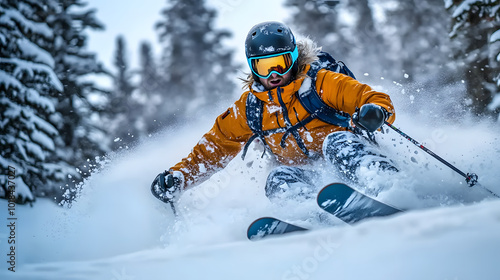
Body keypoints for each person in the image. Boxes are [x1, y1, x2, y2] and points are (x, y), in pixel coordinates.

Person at [151, 21, 397, 206]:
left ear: (293, 59)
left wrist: (375, 112)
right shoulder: (251, 108)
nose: (273, 74)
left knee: (336, 142)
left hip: (355, 162)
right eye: (264, 66)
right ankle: (312, 214)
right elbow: (214, 148)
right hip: (317, 181)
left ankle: (388, 188)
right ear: (252, 67)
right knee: (278, 178)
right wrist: (180, 177)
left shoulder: (320, 83)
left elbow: (371, 97)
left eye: (280, 63)